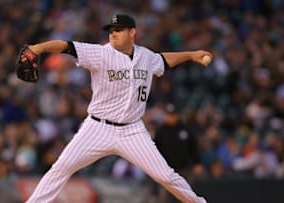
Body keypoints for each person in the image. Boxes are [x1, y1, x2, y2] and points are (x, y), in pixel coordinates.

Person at [21, 14, 211, 203]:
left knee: (166, 176)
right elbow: (66, 46)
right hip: (97, 128)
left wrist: (191, 55)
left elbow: (163, 60)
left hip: (132, 130)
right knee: (61, 168)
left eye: (118, 30)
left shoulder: (145, 56)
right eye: (111, 31)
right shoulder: (101, 53)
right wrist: (38, 48)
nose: (113, 34)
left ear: (132, 32)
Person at [153, 103, 205, 203]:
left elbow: (193, 147)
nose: (171, 117)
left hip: (184, 169)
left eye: (173, 115)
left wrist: (197, 163)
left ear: (177, 115)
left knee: (187, 195)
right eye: (169, 115)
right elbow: (155, 149)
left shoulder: (184, 128)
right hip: (167, 170)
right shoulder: (161, 131)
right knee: (164, 197)